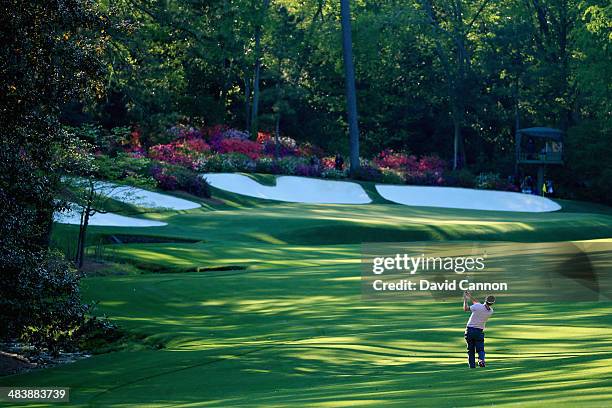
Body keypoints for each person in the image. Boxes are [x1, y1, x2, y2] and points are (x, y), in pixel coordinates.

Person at [463, 291, 496, 368]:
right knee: (480, 349)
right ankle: (481, 360)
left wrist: (465, 299)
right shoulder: (490, 311)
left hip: (470, 330)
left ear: (485, 300)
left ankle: (472, 366)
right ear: (492, 303)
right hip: (479, 331)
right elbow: (478, 304)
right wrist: (470, 296)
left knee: (470, 350)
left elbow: (465, 309)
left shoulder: (478, 306)